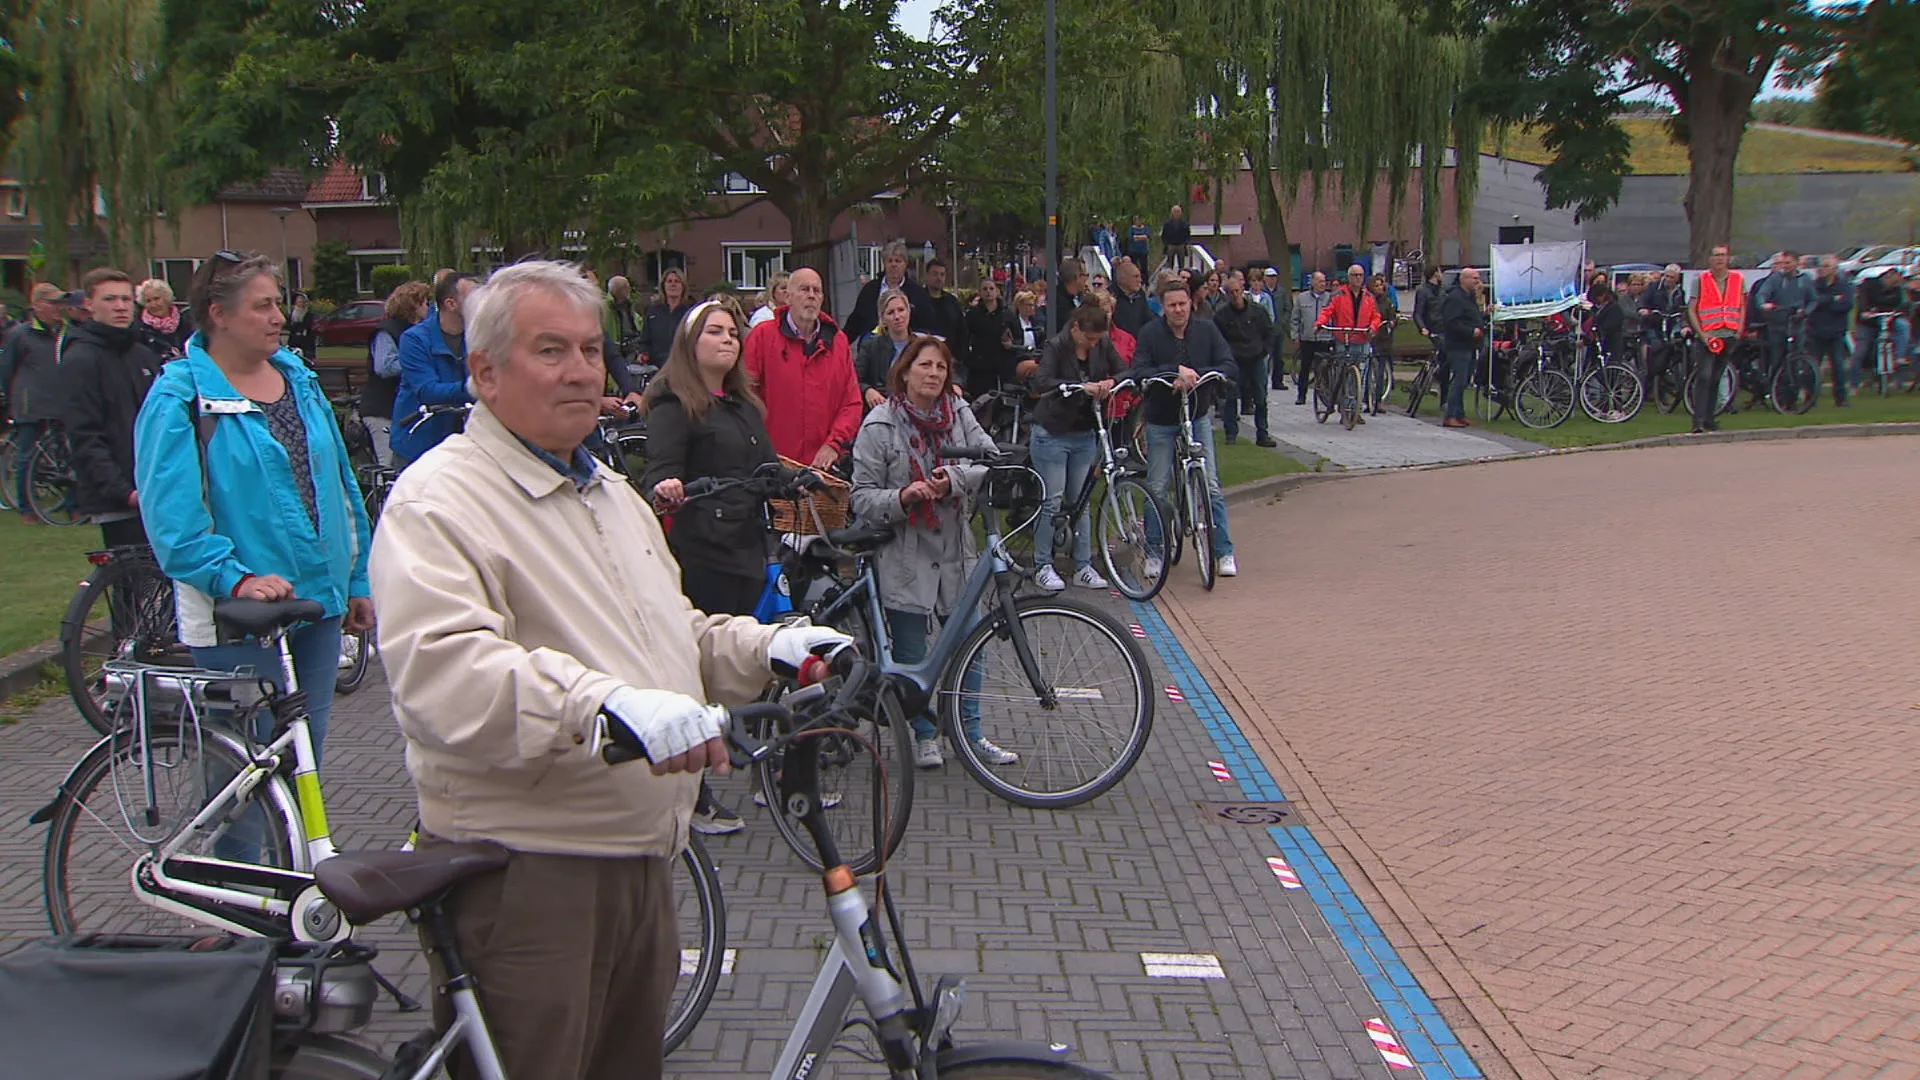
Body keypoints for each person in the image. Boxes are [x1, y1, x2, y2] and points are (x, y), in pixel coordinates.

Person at [368, 260, 849, 1080]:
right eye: (551, 349)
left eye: (592, 349)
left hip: (641, 866)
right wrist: (608, 707)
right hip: (529, 874)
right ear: (483, 372)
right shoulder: (439, 501)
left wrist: (768, 648)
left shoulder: (611, 495)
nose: (583, 370)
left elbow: (673, 636)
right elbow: (447, 675)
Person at [133, 251, 374, 764]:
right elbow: (173, 521)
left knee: (302, 769)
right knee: (242, 784)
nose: (279, 317)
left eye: (278, 304)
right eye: (262, 306)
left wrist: (356, 580)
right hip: (239, 619)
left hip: (318, 608)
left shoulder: (300, 381)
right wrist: (234, 580)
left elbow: (338, 485)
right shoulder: (181, 397)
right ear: (219, 314)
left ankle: (300, 850)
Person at [641, 299, 798, 836]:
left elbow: (764, 464)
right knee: (695, 671)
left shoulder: (741, 404)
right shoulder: (674, 404)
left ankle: (760, 764)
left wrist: (792, 478)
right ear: (691, 343)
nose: (728, 339)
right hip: (704, 549)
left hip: (748, 545)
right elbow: (659, 473)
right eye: (715, 331)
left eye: (733, 331)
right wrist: (667, 488)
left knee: (749, 659)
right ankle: (693, 795)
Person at [848, 336, 1013, 770]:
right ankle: (924, 734)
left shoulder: (959, 413)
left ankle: (970, 733)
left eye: (941, 367)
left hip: (956, 550)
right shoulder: (880, 424)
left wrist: (952, 481)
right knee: (911, 653)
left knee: (968, 645)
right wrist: (903, 497)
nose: (934, 374)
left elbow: (989, 459)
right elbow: (861, 497)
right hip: (904, 555)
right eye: (925, 366)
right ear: (904, 371)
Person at [1134, 278, 1237, 578]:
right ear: (1163, 308)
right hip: (1162, 419)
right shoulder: (1150, 333)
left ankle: (1224, 551)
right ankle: (1154, 550)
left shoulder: (1207, 330)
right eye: (1172, 305)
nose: (1178, 310)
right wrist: (1172, 373)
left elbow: (1228, 364)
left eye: (1182, 303)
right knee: (1157, 485)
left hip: (1197, 414)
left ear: (1191, 303)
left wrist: (1197, 375)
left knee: (1212, 484)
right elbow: (1140, 368)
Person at [57, 268, 161, 547]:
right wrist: (123, 491)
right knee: (133, 581)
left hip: (156, 488)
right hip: (119, 497)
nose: (120, 307)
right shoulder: (81, 359)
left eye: (126, 300)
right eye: (110, 299)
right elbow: (84, 434)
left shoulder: (143, 355)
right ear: (89, 304)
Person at [1027, 306, 1121, 592]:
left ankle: (1083, 565)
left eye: (1097, 340)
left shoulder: (1102, 343)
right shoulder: (1057, 346)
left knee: (1082, 502)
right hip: (1052, 432)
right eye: (1089, 340)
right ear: (1076, 328)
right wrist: (1080, 386)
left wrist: (1110, 382)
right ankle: (1043, 564)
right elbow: (1041, 381)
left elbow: (1124, 367)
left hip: (1084, 432)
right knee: (1051, 501)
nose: (1093, 345)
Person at [742, 267, 862, 471]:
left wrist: (834, 444)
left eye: (817, 291)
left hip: (823, 471)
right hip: (772, 467)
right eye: (804, 289)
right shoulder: (762, 336)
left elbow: (851, 403)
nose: (811, 296)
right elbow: (745, 396)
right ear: (787, 297)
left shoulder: (838, 342)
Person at [390, 272, 478, 467]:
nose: (482, 302)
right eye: (474, 298)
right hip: (419, 444)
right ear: (450, 304)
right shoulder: (415, 339)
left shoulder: (478, 338)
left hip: (464, 445)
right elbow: (427, 391)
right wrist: (478, 386)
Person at [0, 282, 70, 517]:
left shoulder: (65, 332)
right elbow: (7, 369)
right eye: (52, 303)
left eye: (60, 303)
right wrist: (13, 398)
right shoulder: (20, 335)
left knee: (66, 454)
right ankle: (27, 508)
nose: (58, 308)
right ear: (37, 305)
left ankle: (73, 505)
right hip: (31, 403)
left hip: (60, 401)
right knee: (27, 455)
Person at [364, 281, 432, 467]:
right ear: (413, 305)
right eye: (425, 302)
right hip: (381, 410)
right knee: (389, 465)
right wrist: (415, 360)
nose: (429, 307)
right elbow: (384, 366)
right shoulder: (387, 331)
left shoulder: (421, 331)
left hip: (403, 411)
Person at [1687, 244, 1744, 434]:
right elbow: (1692, 308)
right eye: (1716, 255)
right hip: (1708, 336)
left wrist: (1739, 331)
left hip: (1729, 334)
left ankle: (1710, 418)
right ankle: (1698, 420)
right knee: (1704, 376)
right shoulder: (1701, 280)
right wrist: (1702, 334)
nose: (1720, 259)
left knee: (1716, 378)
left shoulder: (1737, 279)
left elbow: (1742, 305)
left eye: (1723, 255)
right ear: (1710, 259)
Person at [1214, 273, 1276, 447]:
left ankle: (1262, 433)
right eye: (1231, 292)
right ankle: (1231, 434)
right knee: (1231, 398)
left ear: (1243, 291)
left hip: (1256, 358)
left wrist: (1265, 350)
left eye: (1237, 291)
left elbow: (1269, 332)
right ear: (1227, 294)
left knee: (1260, 398)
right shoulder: (1222, 316)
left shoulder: (1258, 312)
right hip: (1234, 361)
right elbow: (1218, 339)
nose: (1235, 295)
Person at [1316, 265, 1383, 422]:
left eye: (1360, 275)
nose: (1358, 278)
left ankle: (1354, 409)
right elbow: (1328, 310)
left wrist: (1372, 328)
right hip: (1344, 338)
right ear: (1349, 277)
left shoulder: (1368, 297)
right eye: (1354, 275)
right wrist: (1320, 323)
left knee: (1360, 374)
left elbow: (1376, 316)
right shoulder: (1339, 295)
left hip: (1362, 338)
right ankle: (1344, 406)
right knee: (1343, 374)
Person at [845, 241, 934, 342]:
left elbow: (927, 327)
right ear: (884, 263)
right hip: (872, 345)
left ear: (905, 264)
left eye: (898, 261)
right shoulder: (870, 290)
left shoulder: (918, 294)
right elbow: (855, 321)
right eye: (890, 261)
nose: (893, 265)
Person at [1439, 267, 1488, 427]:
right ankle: (1450, 415)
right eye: (1474, 278)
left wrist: (1484, 313)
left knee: (1465, 380)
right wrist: (1470, 331)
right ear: (1464, 280)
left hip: (1470, 345)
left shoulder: (1469, 298)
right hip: (1458, 345)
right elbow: (1451, 322)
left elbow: (1472, 316)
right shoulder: (1455, 298)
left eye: (1478, 278)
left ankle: (1459, 413)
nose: (1477, 281)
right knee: (1459, 379)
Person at [1753, 251, 1813, 374]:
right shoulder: (1776, 279)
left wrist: (1805, 311)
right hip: (1777, 325)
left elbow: (1814, 299)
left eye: (1788, 263)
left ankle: (1796, 384)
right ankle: (1774, 385)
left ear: (1796, 263)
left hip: (1797, 324)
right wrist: (1763, 304)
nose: (1785, 266)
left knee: (1797, 356)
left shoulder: (1805, 279)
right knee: (1777, 358)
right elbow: (1762, 293)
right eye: (1783, 263)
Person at [1806, 255, 1853, 406]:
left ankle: (1841, 398)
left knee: (1838, 366)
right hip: (1816, 331)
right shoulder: (1814, 285)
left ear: (1835, 269)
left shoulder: (1843, 285)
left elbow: (1846, 305)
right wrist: (1832, 299)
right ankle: (1810, 397)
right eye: (1821, 266)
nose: (1822, 269)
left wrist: (1825, 303)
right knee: (1813, 366)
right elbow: (1813, 302)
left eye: (1826, 266)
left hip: (1836, 331)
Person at [857, 289, 915, 409]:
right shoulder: (870, 346)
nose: (897, 316)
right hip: (883, 409)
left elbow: (952, 369)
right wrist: (868, 390)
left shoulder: (922, 344)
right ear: (883, 319)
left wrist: (956, 385)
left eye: (901, 310)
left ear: (909, 312)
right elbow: (854, 379)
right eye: (890, 312)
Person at [1853, 265, 1906, 393]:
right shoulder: (1870, 284)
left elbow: (1900, 304)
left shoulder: (1897, 289)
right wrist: (1866, 311)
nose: (1898, 282)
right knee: (1861, 351)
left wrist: (1895, 313)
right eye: (1896, 279)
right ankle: (1854, 384)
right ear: (1889, 275)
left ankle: (1899, 357)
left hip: (1887, 320)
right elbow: (1863, 301)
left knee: (1904, 326)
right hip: (1867, 323)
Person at [964, 277, 1017, 394]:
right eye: (985, 289)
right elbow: (964, 338)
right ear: (980, 292)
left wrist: (1011, 345)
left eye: (991, 288)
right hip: (980, 368)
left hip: (1003, 367)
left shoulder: (1008, 314)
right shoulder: (973, 315)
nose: (988, 291)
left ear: (997, 291)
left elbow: (1018, 337)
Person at [1290, 271, 1333, 405]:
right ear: (1313, 282)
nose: (1323, 284)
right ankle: (1301, 395)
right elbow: (1295, 318)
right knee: (1305, 368)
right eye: (1320, 281)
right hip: (1307, 339)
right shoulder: (1302, 298)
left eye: (1324, 281)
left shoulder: (1330, 298)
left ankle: (1325, 395)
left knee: (1324, 368)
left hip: (1325, 338)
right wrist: (1295, 335)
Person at [920, 258, 969, 371]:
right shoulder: (918, 299)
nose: (939, 278)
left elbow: (962, 331)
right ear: (927, 276)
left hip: (949, 360)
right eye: (935, 274)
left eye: (942, 274)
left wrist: (957, 357)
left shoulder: (952, 302)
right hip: (923, 358)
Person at [639, 268, 694, 366]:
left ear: (683, 287)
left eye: (677, 281)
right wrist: (644, 353)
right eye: (669, 281)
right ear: (663, 286)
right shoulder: (653, 311)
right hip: (657, 367)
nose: (673, 284)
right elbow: (645, 340)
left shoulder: (691, 312)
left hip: (683, 365)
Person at [135, 278, 194, 359]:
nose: (153, 304)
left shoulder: (186, 322)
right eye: (148, 301)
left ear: (166, 298)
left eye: (156, 299)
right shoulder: (140, 330)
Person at [1110, 258, 1152, 339]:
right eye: (1135, 277)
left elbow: (1148, 320)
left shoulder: (1140, 295)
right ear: (1123, 278)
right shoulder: (1110, 297)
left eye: (1140, 276)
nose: (1140, 280)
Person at [604, 274, 643, 355]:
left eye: (627, 286)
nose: (628, 289)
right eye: (624, 287)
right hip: (614, 350)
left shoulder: (630, 305)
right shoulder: (603, 308)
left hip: (633, 348)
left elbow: (639, 323)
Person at [1049, 258, 1088, 331]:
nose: (1086, 279)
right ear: (1077, 277)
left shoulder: (1072, 299)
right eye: (1086, 275)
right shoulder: (1058, 302)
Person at [284, 291, 316, 359]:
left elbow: (308, 327)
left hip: (306, 344)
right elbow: (289, 327)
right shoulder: (292, 315)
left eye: (303, 302)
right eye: (299, 302)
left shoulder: (309, 315)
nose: (301, 304)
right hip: (293, 342)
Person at [1160, 206, 1191, 271]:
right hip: (1171, 245)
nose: (1176, 213)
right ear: (1172, 213)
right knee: (1170, 263)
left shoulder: (1185, 223)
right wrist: (1166, 244)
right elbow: (1164, 235)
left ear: (1181, 213)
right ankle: (1170, 275)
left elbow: (1188, 235)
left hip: (1181, 245)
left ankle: (1181, 275)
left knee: (1181, 264)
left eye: (1178, 211)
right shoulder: (1167, 224)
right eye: (1175, 211)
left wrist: (1185, 243)